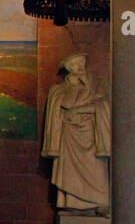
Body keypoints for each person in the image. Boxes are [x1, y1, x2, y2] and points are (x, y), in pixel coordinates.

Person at [42, 52, 111, 210]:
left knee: (97, 170)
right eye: (73, 65)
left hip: (92, 135)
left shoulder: (97, 85)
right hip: (70, 136)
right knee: (69, 172)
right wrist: (74, 89)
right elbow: (62, 106)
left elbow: (104, 105)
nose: (78, 67)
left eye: (80, 63)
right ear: (68, 69)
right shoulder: (59, 89)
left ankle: (100, 202)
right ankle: (72, 204)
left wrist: (80, 108)